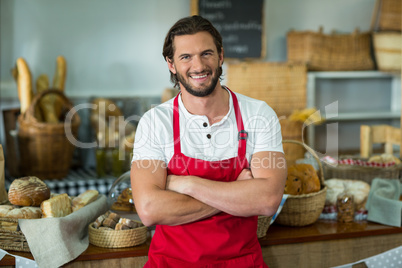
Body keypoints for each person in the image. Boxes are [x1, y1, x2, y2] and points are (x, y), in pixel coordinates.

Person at [131, 15, 287, 268]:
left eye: (206, 53)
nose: (198, 65)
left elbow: (268, 200)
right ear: (171, 64)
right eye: (186, 57)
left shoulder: (259, 115)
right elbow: (149, 210)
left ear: (221, 56)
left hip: (242, 263)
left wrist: (188, 184)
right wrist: (236, 191)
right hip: (171, 263)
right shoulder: (154, 123)